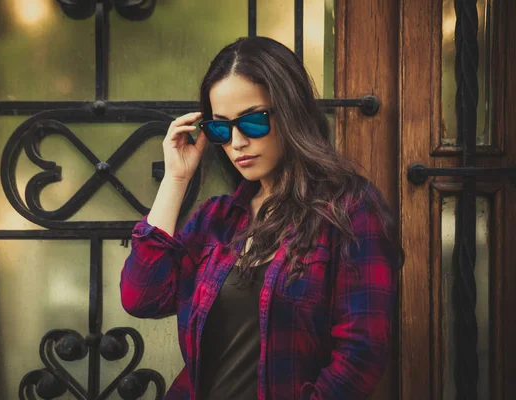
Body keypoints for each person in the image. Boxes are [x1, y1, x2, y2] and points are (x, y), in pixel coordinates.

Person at [120, 36, 401, 400]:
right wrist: (175, 180)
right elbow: (142, 297)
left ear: (290, 112)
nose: (236, 142)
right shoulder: (216, 219)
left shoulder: (351, 209)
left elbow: (360, 356)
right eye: (220, 128)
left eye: (252, 123)